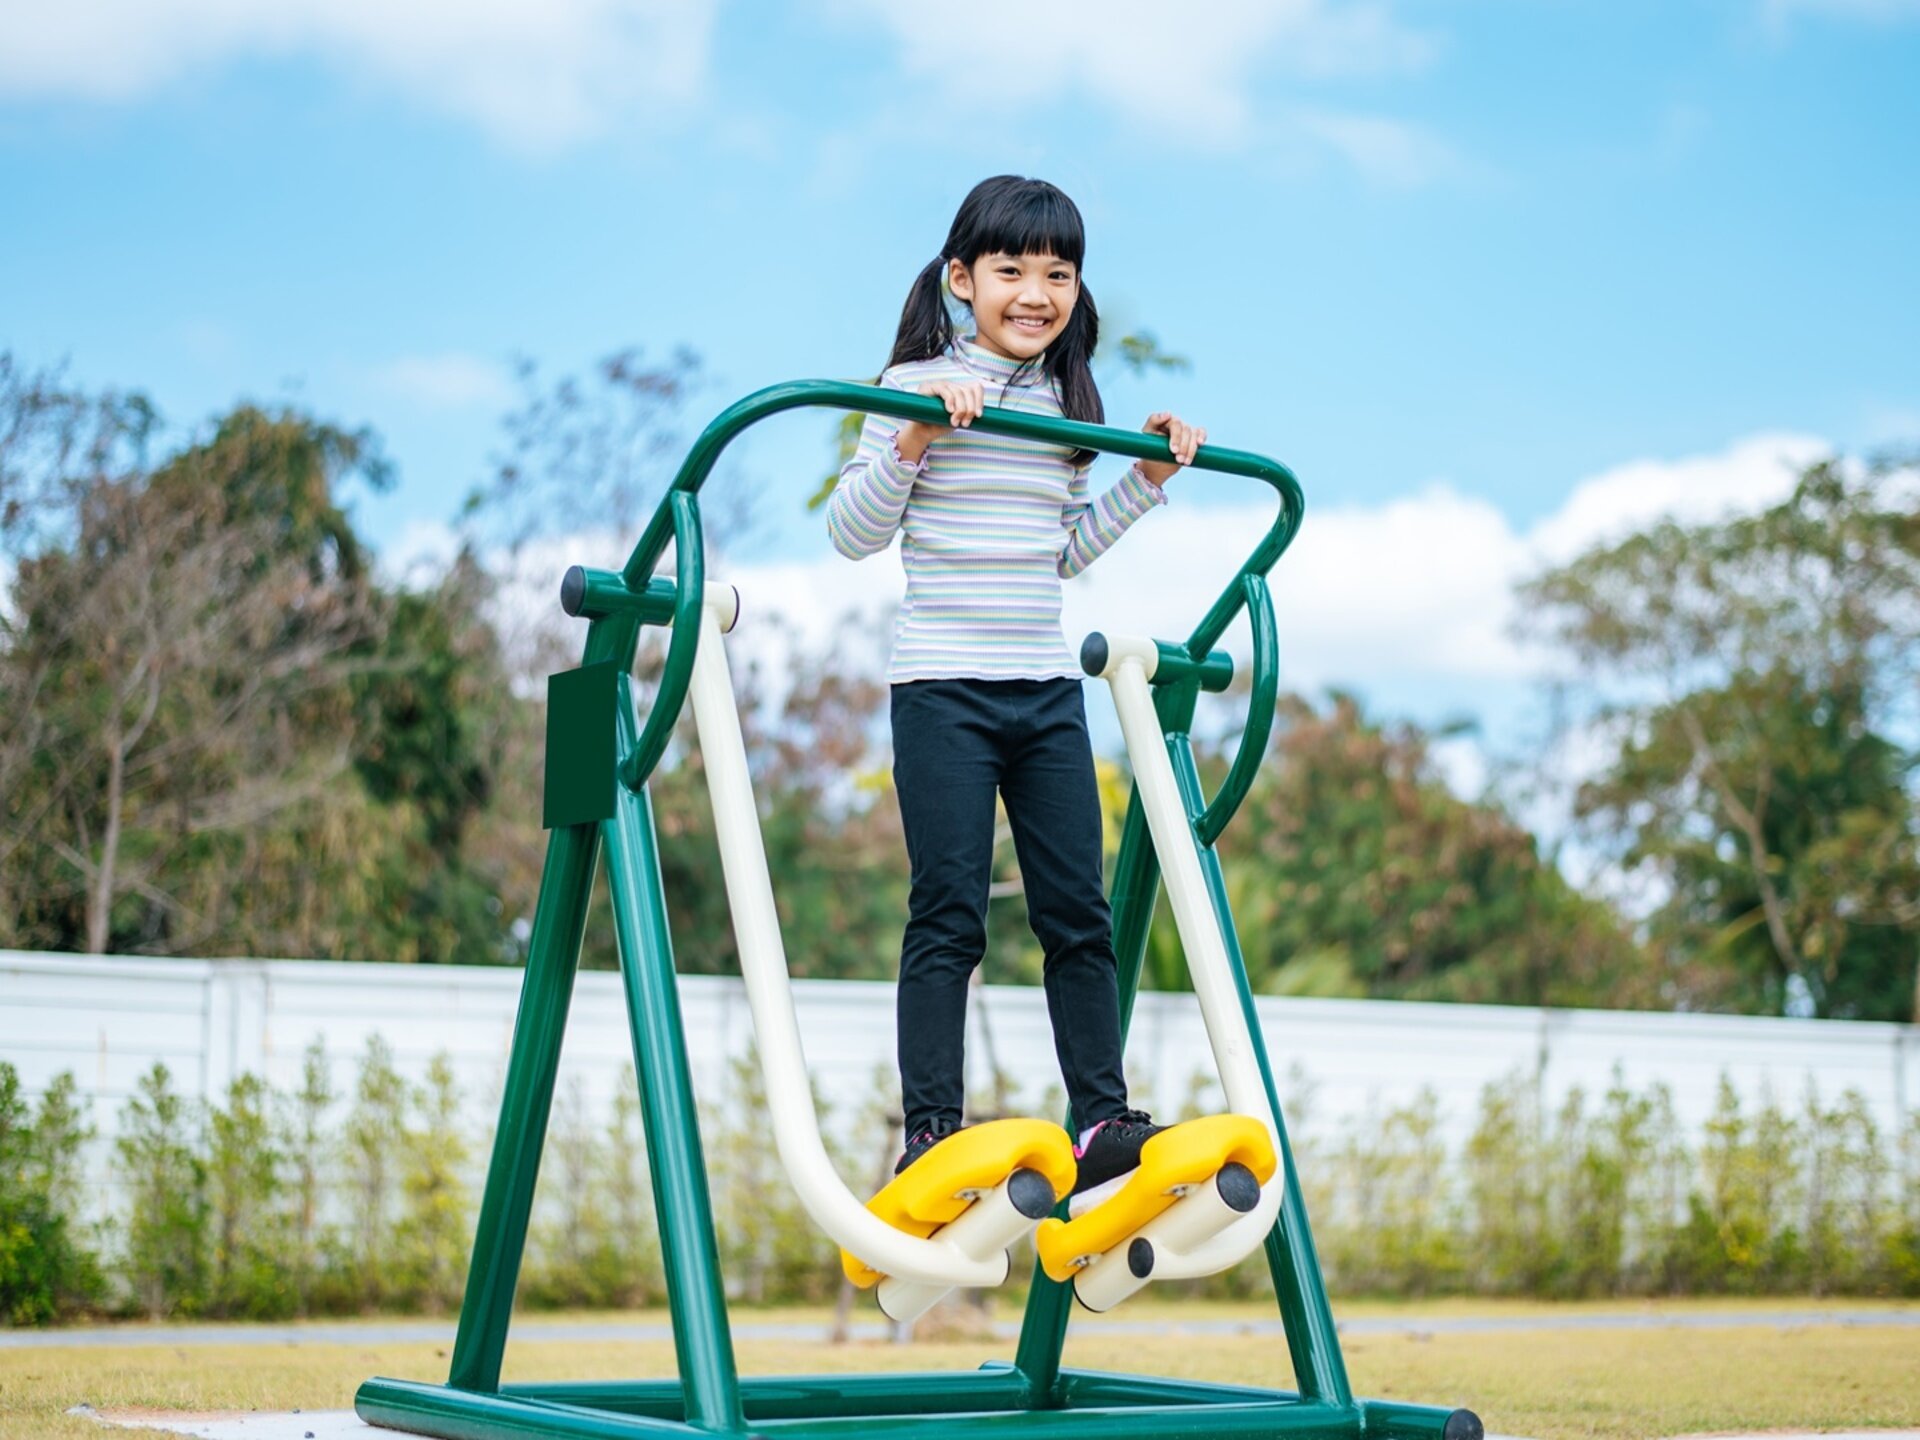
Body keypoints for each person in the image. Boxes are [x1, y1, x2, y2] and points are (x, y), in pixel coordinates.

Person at [826, 175, 1204, 1216]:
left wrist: (1147, 478)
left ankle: (1102, 1120)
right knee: (948, 912)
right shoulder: (910, 380)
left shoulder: (1069, 406)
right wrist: (918, 434)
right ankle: (930, 1131)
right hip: (942, 687)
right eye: (1011, 270)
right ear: (962, 279)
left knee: (1076, 915)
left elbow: (1065, 551)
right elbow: (851, 535)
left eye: (1058, 273)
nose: (1035, 292)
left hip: (1042, 693)